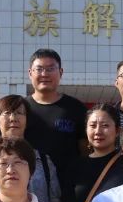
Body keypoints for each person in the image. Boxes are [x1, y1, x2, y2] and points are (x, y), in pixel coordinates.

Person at [23, 48, 88, 179]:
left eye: (50, 69)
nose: (44, 74)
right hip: (29, 184)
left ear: (61, 72)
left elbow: (85, 150)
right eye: (39, 69)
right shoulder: (21, 108)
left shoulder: (76, 108)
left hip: (69, 183)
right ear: (30, 73)